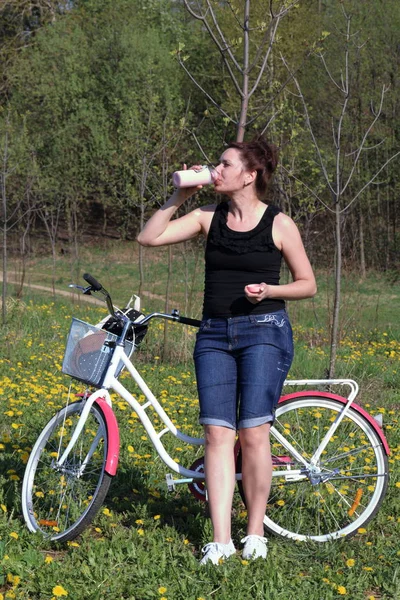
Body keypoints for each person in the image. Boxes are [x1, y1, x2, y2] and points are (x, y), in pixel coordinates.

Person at [137, 137, 317, 565]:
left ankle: (254, 534)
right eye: (216, 164)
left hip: (264, 330)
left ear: (250, 175)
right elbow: (148, 237)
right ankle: (220, 541)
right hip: (214, 334)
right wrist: (179, 195)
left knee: (254, 432)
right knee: (218, 434)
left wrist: (270, 290)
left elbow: (307, 283)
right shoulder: (205, 217)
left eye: (224, 164)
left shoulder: (278, 223)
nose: (215, 170)